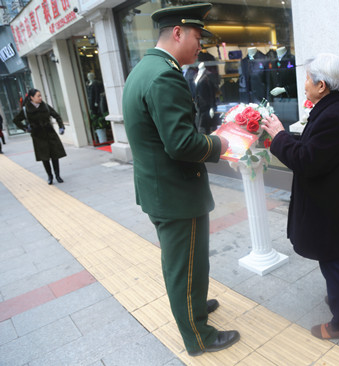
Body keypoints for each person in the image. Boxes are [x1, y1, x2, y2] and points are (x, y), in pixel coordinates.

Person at [121, 3, 238, 357]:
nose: (199, 44)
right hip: (175, 191)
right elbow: (181, 143)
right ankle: (198, 336)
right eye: (197, 36)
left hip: (162, 187)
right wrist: (223, 143)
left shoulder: (147, 68)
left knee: (189, 262)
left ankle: (195, 307)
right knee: (184, 267)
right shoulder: (165, 75)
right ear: (177, 33)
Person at [262, 53, 339, 340]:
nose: (304, 83)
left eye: (308, 78)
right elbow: (317, 148)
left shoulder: (332, 115)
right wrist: (287, 139)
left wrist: (279, 136)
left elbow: (306, 160)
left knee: (332, 259)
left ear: (322, 86)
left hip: (329, 204)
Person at [12, 88, 66, 184]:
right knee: (44, 158)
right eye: (38, 96)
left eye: (41, 95)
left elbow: (56, 115)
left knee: (55, 155)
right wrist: (25, 128)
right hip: (38, 136)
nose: (41, 98)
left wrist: (61, 127)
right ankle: (50, 176)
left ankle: (57, 175)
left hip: (50, 134)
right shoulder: (26, 109)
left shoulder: (45, 106)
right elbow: (16, 120)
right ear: (32, 97)